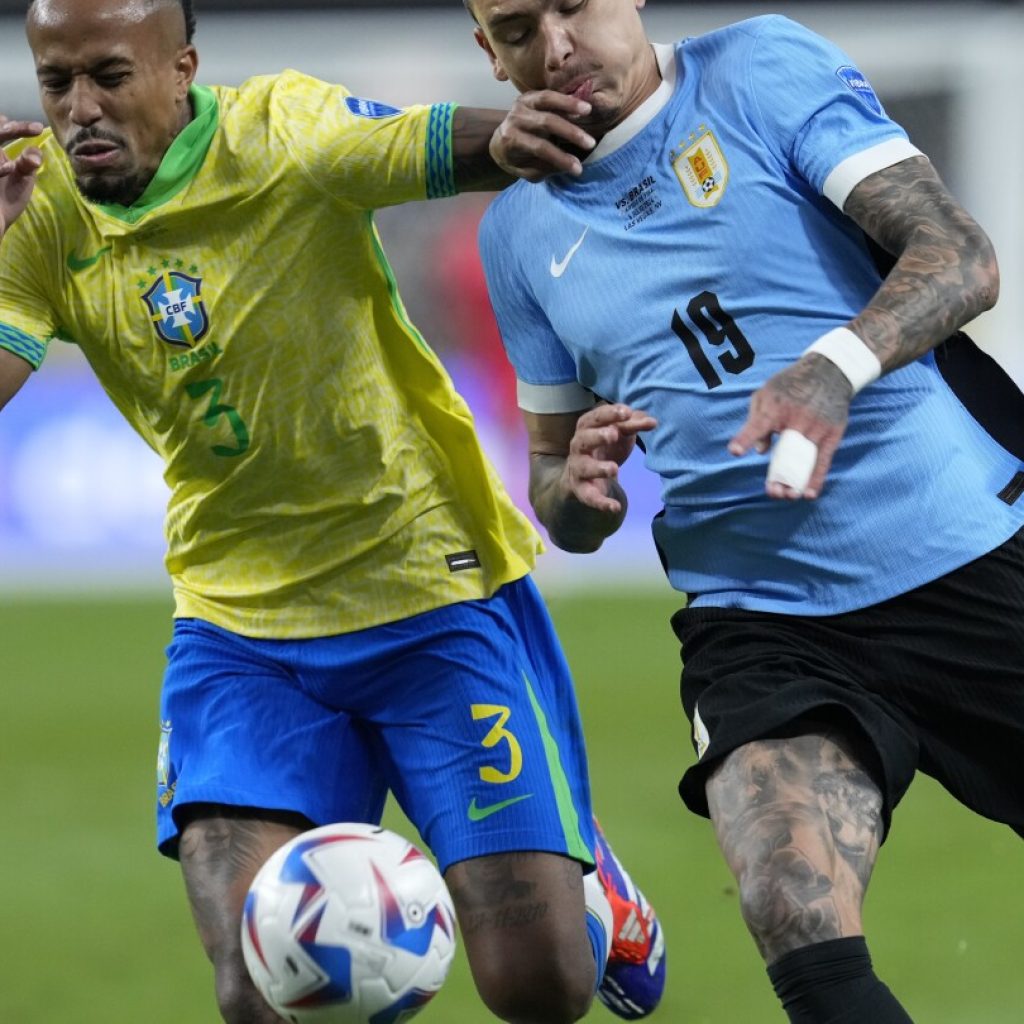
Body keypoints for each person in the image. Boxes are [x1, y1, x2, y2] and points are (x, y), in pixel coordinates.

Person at [0, 1, 668, 1021]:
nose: (80, 110)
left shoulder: (281, 131)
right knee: (258, 989)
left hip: (429, 590)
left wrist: (524, 135)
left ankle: (595, 894)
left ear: (181, 69)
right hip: (240, 630)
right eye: (57, 85)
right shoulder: (34, 207)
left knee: (539, 988)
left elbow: (422, 142)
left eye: (109, 77)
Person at [466, 0, 1024, 1020]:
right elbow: (555, 492)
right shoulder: (516, 233)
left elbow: (959, 257)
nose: (555, 47)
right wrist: (577, 486)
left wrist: (832, 367)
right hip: (761, 620)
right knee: (790, 910)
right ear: (487, 52)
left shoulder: (759, 71)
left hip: (967, 554)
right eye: (514, 27)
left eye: (572, 8)